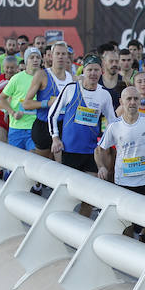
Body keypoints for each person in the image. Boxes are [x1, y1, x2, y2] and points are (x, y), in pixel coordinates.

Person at [48, 54, 118, 215]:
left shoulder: (104, 94)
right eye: (89, 69)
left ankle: (81, 234)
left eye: (96, 70)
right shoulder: (71, 88)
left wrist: (104, 144)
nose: (93, 73)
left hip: (91, 152)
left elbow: (112, 122)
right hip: (70, 150)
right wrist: (55, 137)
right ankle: (62, 227)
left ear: (101, 71)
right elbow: (53, 114)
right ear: (83, 71)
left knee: (88, 198)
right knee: (67, 197)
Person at [97, 86, 145, 241]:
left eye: (136, 98)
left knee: (142, 220)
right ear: (121, 102)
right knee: (125, 221)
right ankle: (128, 247)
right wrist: (101, 166)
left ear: (140, 100)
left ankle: (141, 236)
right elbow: (100, 149)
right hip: (123, 180)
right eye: (128, 99)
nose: (132, 102)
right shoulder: (114, 126)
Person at [22, 40, 75, 160]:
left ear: (67, 56)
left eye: (63, 54)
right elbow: (26, 104)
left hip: (63, 126)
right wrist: (47, 103)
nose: (61, 57)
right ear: (51, 56)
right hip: (43, 126)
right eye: (58, 54)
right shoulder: (42, 75)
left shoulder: (72, 78)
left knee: (61, 165)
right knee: (43, 166)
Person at [0, 47, 42, 152]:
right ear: (26, 61)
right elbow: (1, 99)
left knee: (32, 159)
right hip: (16, 128)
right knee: (15, 161)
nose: (35, 60)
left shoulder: (45, 78)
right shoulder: (16, 78)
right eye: (32, 57)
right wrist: (12, 113)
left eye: (38, 57)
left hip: (35, 127)